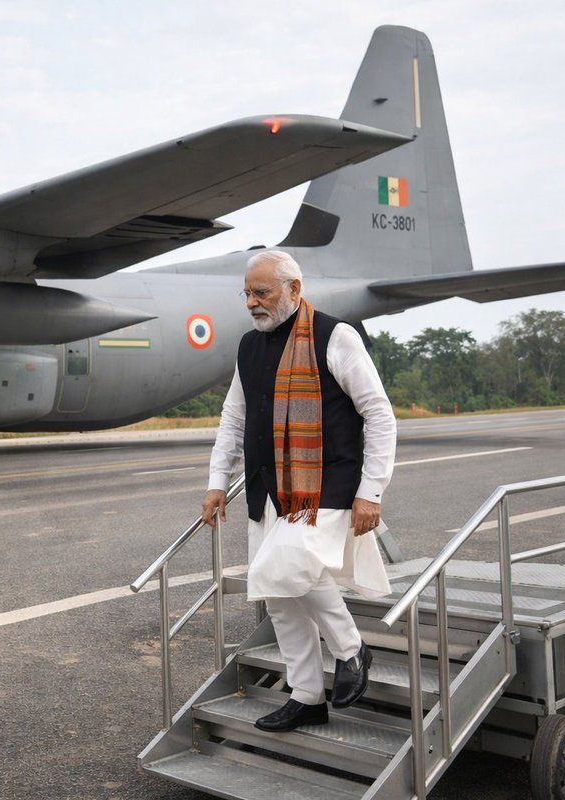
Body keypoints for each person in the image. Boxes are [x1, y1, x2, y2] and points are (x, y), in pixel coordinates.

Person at [201, 250, 396, 733]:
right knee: (279, 596)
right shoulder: (249, 346)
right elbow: (233, 419)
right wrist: (216, 482)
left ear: (294, 289)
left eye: (261, 292)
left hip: (324, 486)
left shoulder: (335, 336)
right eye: (247, 293)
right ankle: (307, 696)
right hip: (267, 490)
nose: (252, 302)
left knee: (288, 568)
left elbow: (379, 414)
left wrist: (371, 491)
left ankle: (352, 649)